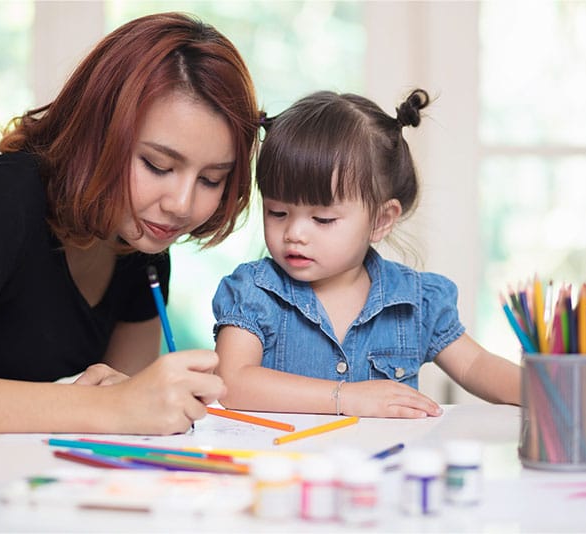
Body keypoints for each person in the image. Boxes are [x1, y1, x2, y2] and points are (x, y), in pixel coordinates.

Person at [0, 12, 259, 455]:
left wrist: (136, 401)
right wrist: (105, 405)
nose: (181, 205)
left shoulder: (142, 247)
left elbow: (126, 412)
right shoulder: (2, 201)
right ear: (98, 131)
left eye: (211, 179)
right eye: (157, 166)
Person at [212, 89, 520, 418]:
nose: (294, 234)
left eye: (322, 219)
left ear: (381, 220)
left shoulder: (416, 301)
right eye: (277, 213)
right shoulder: (254, 292)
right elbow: (232, 381)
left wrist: (550, 389)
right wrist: (345, 398)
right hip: (287, 467)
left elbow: (475, 364)